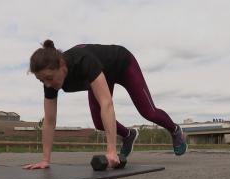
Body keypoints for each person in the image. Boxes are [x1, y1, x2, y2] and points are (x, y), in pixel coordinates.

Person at [23, 40, 187, 170]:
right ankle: (128, 135)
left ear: (62, 65)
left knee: (148, 112)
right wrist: (45, 160)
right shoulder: (49, 83)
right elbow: (50, 121)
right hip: (100, 76)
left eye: (49, 78)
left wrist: (111, 150)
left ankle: (175, 130)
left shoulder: (83, 61)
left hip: (122, 64)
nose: (47, 84)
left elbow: (106, 103)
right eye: (41, 80)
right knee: (98, 122)